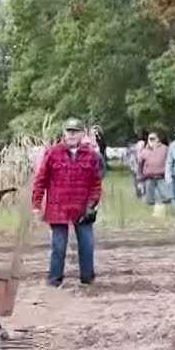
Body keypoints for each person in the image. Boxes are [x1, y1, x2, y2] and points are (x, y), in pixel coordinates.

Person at [31, 118, 102, 287]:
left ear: (82, 134)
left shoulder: (91, 155)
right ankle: (55, 279)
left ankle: (87, 278)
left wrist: (91, 204)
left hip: (82, 207)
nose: (71, 134)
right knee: (58, 246)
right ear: (64, 133)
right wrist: (36, 205)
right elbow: (40, 180)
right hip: (58, 207)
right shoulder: (52, 153)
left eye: (75, 131)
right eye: (68, 131)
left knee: (87, 245)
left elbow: (96, 184)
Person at [137, 133, 169, 215]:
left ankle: (161, 212)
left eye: (153, 138)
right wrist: (139, 179)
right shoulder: (144, 151)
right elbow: (140, 165)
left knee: (165, 196)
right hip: (148, 177)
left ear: (158, 139)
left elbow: (170, 162)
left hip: (162, 176)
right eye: (150, 138)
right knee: (149, 199)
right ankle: (151, 213)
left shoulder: (165, 149)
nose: (151, 140)